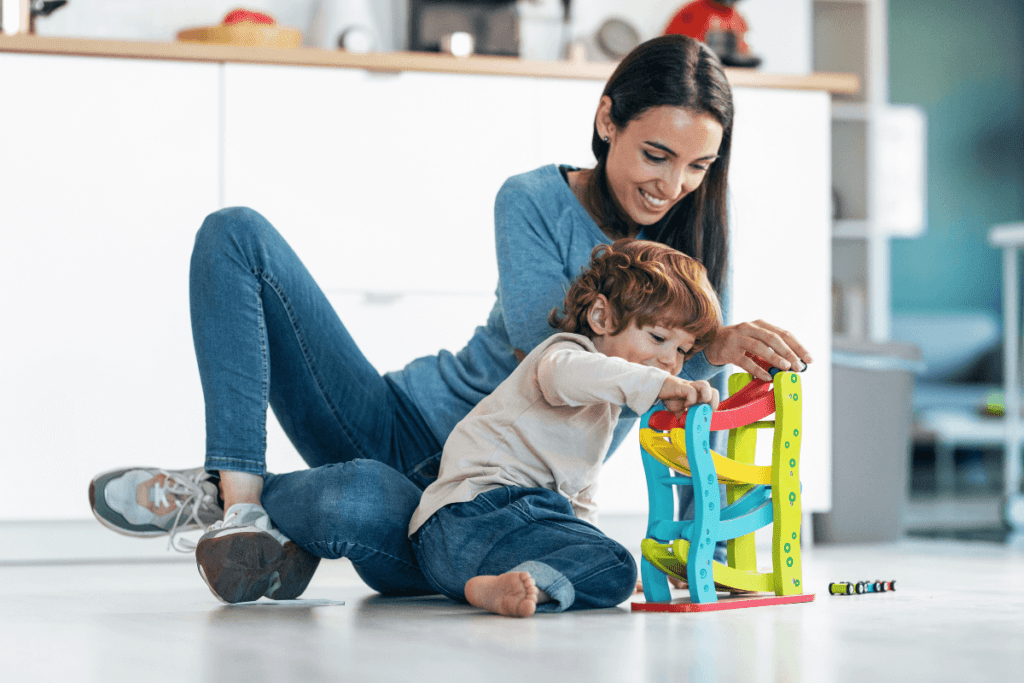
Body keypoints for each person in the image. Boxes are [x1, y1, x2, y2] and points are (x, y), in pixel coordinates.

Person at [87, 33, 812, 604]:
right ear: (606, 118)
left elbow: (690, 421)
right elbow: (548, 350)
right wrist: (707, 340)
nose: (672, 185)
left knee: (352, 499)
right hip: (400, 420)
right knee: (235, 233)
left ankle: (270, 514)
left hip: (483, 508)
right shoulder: (530, 199)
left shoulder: (698, 263)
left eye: (698, 167)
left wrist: (704, 550)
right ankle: (239, 499)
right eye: (657, 154)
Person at [411, 239, 722, 617]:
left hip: (469, 556)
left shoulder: (604, 407)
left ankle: (514, 587)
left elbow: (580, 496)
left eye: (682, 351)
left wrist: (589, 553)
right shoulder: (564, 355)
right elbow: (576, 375)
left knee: (617, 569)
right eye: (658, 338)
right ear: (601, 318)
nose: (669, 361)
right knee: (616, 560)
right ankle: (539, 576)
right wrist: (658, 385)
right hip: (474, 512)